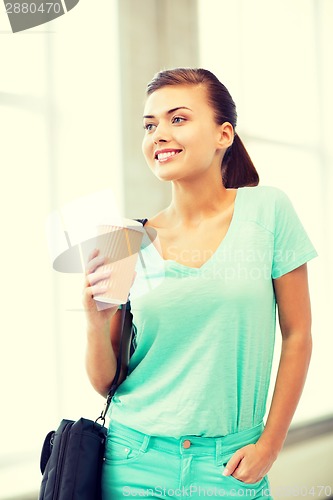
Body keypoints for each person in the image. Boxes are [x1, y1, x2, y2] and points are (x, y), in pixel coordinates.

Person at [83, 68, 317, 499]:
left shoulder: (269, 210)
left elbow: (299, 335)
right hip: (132, 459)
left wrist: (270, 444)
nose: (159, 134)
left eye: (178, 119)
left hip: (229, 463)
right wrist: (94, 321)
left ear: (223, 135)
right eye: (150, 125)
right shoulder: (121, 240)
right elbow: (106, 381)